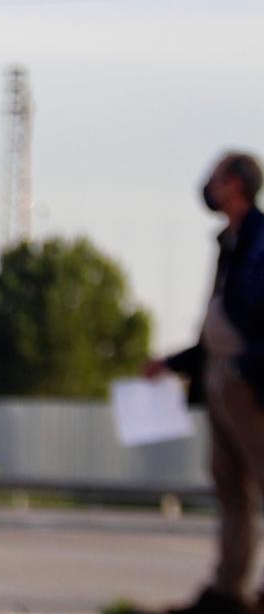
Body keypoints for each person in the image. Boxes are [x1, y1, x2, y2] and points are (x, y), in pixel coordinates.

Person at [148, 151, 264, 614]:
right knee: (229, 484)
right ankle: (228, 590)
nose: (208, 185)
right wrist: (176, 362)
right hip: (219, 376)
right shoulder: (231, 242)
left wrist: (247, 367)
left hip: (248, 378)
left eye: (216, 178)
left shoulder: (259, 238)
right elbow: (221, 315)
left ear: (235, 184)